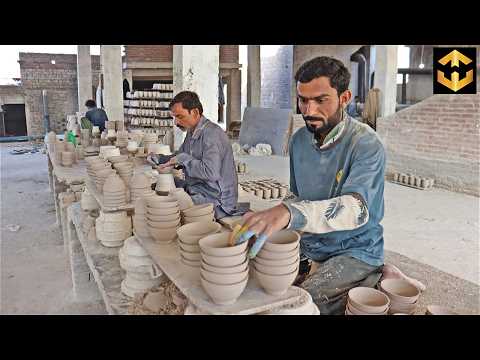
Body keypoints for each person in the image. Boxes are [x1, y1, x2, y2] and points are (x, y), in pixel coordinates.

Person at [236, 56, 386, 315]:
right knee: (255, 283)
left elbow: (357, 209)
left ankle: (374, 274)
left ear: (344, 97)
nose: (309, 110)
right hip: (313, 244)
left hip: (354, 248)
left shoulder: (366, 144)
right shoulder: (298, 141)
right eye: (303, 100)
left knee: (300, 304)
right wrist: (275, 214)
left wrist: (289, 214)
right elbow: (297, 196)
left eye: (321, 100)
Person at [150, 91, 244, 219]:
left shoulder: (212, 134)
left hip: (218, 200)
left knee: (167, 208)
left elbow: (211, 172)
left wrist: (182, 159)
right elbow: (182, 154)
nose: (176, 122)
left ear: (194, 112)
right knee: (161, 186)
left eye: (180, 116)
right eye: (174, 117)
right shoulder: (192, 131)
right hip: (199, 189)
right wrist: (161, 159)